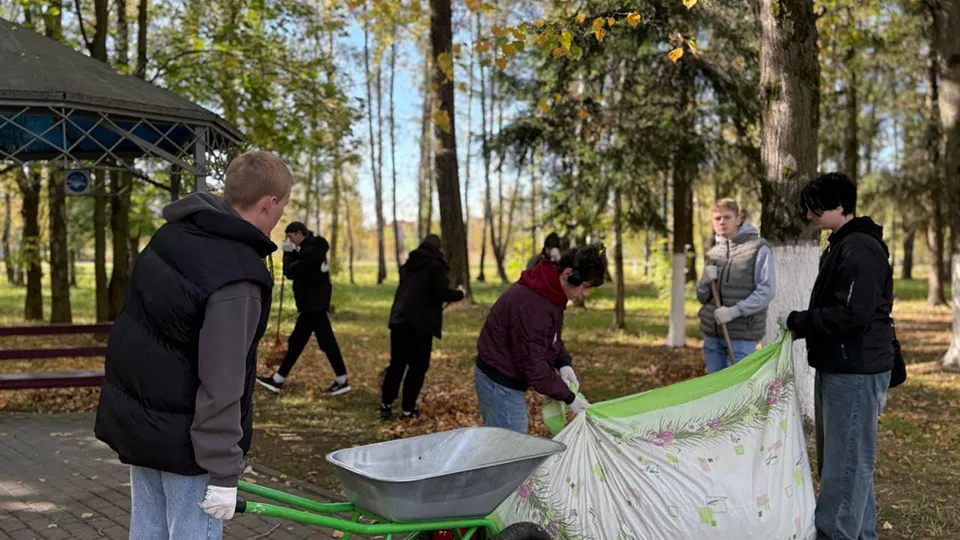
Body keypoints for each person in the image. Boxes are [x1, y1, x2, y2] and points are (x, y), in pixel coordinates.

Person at [94, 151, 292, 539]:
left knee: (148, 531)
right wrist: (222, 470)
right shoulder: (237, 277)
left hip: (142, 426)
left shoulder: (172, 235)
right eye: (283, 204)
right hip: (189, 444)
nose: (283, 212)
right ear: (269, 203)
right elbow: (223, 381)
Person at [779, 172, 894, 540]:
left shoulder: (859, 248)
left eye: (815, 208)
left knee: (844, 466)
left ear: (839, 206)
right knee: (844, 462)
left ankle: (835, 535)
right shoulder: (843, 243)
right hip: (839, 365)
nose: (810, 216)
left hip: (856, 371)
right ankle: (861, 534)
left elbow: (852, 314)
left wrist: (802, 321)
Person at [474, 245, 605, 433]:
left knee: (507, 448)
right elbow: (532, 364)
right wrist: (569, 398)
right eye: (585, 286)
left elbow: (550, 337)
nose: (586, 293)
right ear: (569, 274)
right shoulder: (534, 304)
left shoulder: (551, 292)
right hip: (499, 382)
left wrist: (562, 361)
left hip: (505, 377)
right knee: (511, 451)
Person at [257, 222, 349, 395]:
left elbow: (290, 271)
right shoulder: (311, 248)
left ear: (299, 233)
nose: (290, 240)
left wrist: (288, 252)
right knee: (305, 342)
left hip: (313, 306)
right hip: (312, 305)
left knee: (311, 343)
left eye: (291, 237)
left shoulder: (312, 251)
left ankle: (279, 379)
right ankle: (279, 379)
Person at [380, 234, 465, 420]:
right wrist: (460, 294)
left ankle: (385, 404)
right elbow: (440, 292)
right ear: (438, 248)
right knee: (417, 367)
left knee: (397, 364)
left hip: (399, 320)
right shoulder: (436, 266)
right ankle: (407, 409)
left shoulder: (408, 265)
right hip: (421, 324)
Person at [696, 198, 776, 373]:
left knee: (737, 395)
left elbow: (767, 290)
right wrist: (703, 281)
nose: (722, 222)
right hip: (712, 335)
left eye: (727, 217)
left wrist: (734, 311)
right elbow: (702, 297)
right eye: (717, 218)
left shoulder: (757, 248)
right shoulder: (714, 253)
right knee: (713, 392)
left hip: (741, 337)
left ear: (738, 219)